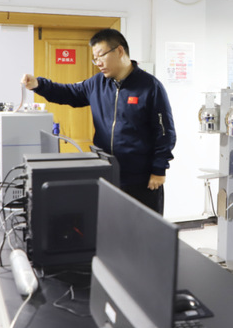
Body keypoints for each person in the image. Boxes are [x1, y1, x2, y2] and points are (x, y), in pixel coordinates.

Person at [21, 29, 176, 214]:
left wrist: (159, 169)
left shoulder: (150, 87)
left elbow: (165, 132)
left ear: (119, 51)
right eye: (95, 59)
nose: (98, 63)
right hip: (105, 173)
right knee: (107, 226)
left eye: (101, 56)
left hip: (140, 179)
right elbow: (68, 93)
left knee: (142, 228)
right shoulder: (97, 84)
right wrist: (39, 85)